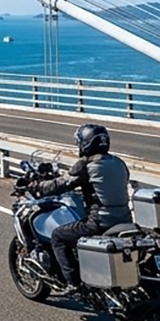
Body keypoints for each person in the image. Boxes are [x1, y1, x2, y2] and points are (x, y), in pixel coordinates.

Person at [29, 123, 132, 289]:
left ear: (86, 143)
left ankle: (73, 283)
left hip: (99, 222)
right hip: (125, 219)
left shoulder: (86, 165)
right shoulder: (119, 162)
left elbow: (61, 184)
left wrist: (37, 186)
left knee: (58, 236)